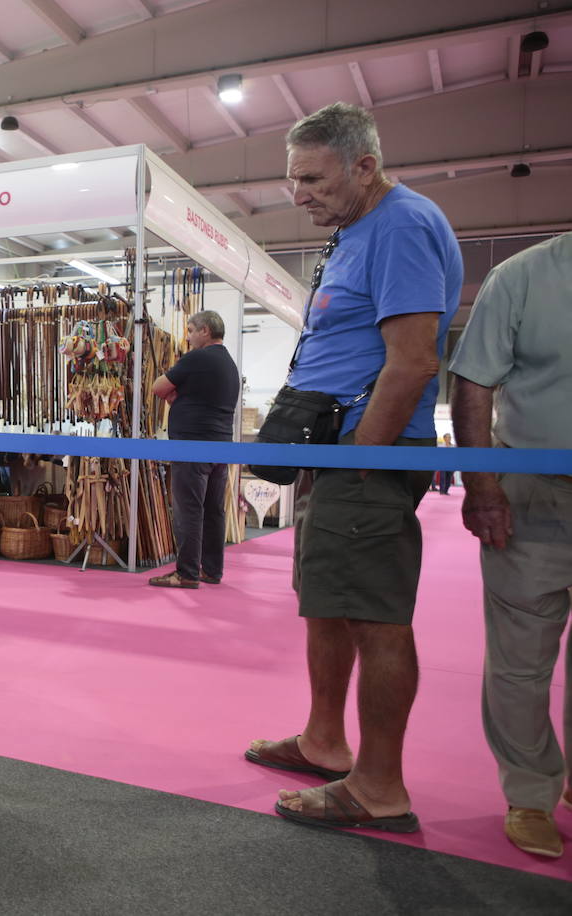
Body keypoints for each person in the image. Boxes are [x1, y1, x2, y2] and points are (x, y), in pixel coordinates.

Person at [242, 103, 462, 833]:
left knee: (375, 618)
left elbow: (413, 362)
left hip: (367, 454)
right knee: (327, 601)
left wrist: (362, 463)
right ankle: (323, 742)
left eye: (312, 177)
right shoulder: (354, 232)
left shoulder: (399, 224)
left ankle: (378, 787)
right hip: (335, 451)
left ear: (364, 166)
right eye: (291, 178)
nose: (297, 192)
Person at [449, 231, 572, 858]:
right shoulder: (523, 276)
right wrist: (484, 488)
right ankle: (529, 792)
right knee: (522, 654)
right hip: (534, 489)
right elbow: (473, 382)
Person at [148, 310, 240, 588]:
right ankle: (211, 570)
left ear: (205, 331)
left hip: (192, 445)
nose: (188, 338)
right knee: (213, 509)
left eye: (191, 331)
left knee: (188, 508)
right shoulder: (229, 364)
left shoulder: (197, 358)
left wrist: (177, 397)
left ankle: (186, 573)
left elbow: (157, 387)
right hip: (220, 445)